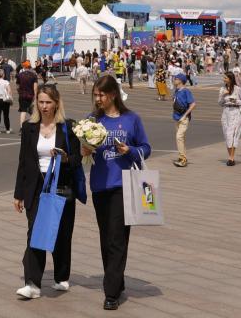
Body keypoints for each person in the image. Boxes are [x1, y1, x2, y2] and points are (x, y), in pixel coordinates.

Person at [12, 83, 86, 300]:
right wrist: (18, 194)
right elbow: (23, 162)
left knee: (61, 234)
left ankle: (61, 275)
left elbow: (77, 160)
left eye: (48, 102)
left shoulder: (67, 127)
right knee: (35, 233)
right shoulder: (29, 127)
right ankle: (32, 284)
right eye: (41, 102)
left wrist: (64, 158)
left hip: (61, 186)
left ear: (56, 103)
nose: (44, 106)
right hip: (35, 189)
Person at [85, 75, 150, 311]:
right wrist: (84, 148)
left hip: (124, 185)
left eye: (101, 95)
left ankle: (111, 292)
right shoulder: (92, 120)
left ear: (112, 94)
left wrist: (129, 150)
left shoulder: (131, 119)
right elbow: (84, 152)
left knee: (116, 238)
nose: (97, 99)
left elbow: (146, 148)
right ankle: (117, 280)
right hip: (100, 185)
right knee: (107, 238)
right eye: (95, 95)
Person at [218, 72, 241, 166]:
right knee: (227, 135)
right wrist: (223, 96)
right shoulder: (222, 89)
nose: (224, 79)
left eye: (225, 78)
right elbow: (220, 103)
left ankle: (231, 158)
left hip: (235, 112)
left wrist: (236, 101)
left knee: (232, 135)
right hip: (226, 113)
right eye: (224, 77)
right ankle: (230, 157)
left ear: (230, 79)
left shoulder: (238, 89)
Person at [171, 73, 195, 167]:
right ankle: (182, 157)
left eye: (175, 78)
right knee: (181, 138)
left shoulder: (186, 91)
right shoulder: (176, 90)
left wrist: (184, 115)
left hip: (183, 118)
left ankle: (183, 158)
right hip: (176, 117)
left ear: (180, 80)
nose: (174, 80)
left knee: (179, 137)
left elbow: (193, 104)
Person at [16, 61, 39, 126]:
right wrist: (35, 96)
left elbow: (17, 86)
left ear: (24, 67)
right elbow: (35, 88)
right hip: (30, 95)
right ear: (29, 67)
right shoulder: (34, 75)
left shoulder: (20, 75)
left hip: (22, 95)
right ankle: (32, 126)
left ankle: (22, 127)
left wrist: (19, 92)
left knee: (23, 111)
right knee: (32, 111)